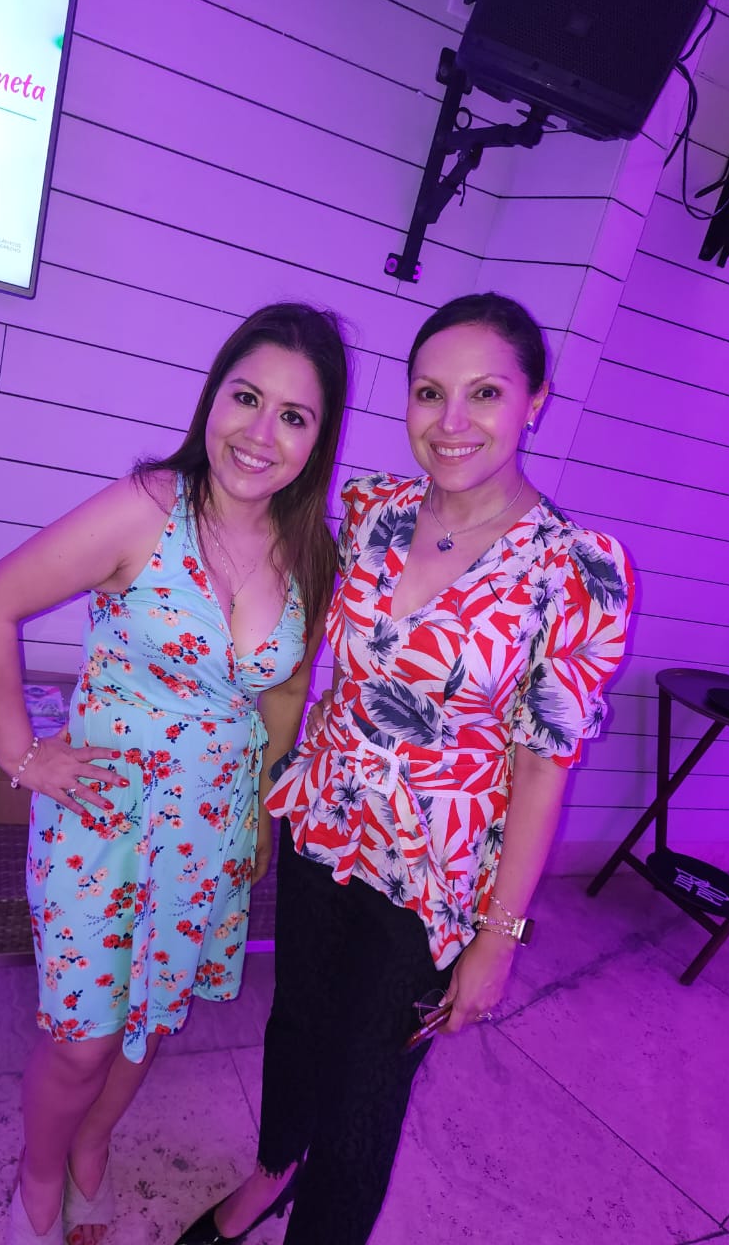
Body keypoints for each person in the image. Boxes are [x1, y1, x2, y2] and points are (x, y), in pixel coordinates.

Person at [174, 292, 634, 1245]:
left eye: (485, 393)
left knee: (367, 1088)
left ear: (536, 402)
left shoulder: (575, 571)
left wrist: (499, 939)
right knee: (296, 1022)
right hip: (322, 824)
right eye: (430, 392)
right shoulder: (371, 511)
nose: (451, 421)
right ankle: (273, 1170)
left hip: (434, 877)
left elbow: (543, 769)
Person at [0, 302, 349, 1245]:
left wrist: (260, 814)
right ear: (213, 397)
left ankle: (92, 1147)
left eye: (294, 416)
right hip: (104, 820)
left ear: (319, 437)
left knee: (152, 1016)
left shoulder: (310, 549)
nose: (261, 433)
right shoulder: (147, 507)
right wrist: (21, 754)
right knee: (82, 1037)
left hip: (211, 827)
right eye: (246, 397)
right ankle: (39, 1174)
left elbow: (283, 693)